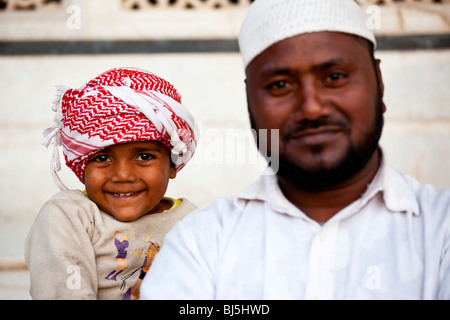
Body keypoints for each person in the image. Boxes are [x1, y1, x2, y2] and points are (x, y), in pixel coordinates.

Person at [140, 0, 450, 300]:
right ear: (250, 100)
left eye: (335, 77)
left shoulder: (441, 229)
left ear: (378, 82)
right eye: (279, 85)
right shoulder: (202, 242)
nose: (312, 108)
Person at [25, 67, 198, 300]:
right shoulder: (68, 216)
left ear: (172, 165)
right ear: (82, 168)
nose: (123, 175)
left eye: (144, 156)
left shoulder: (193, 224)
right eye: (102, 158)